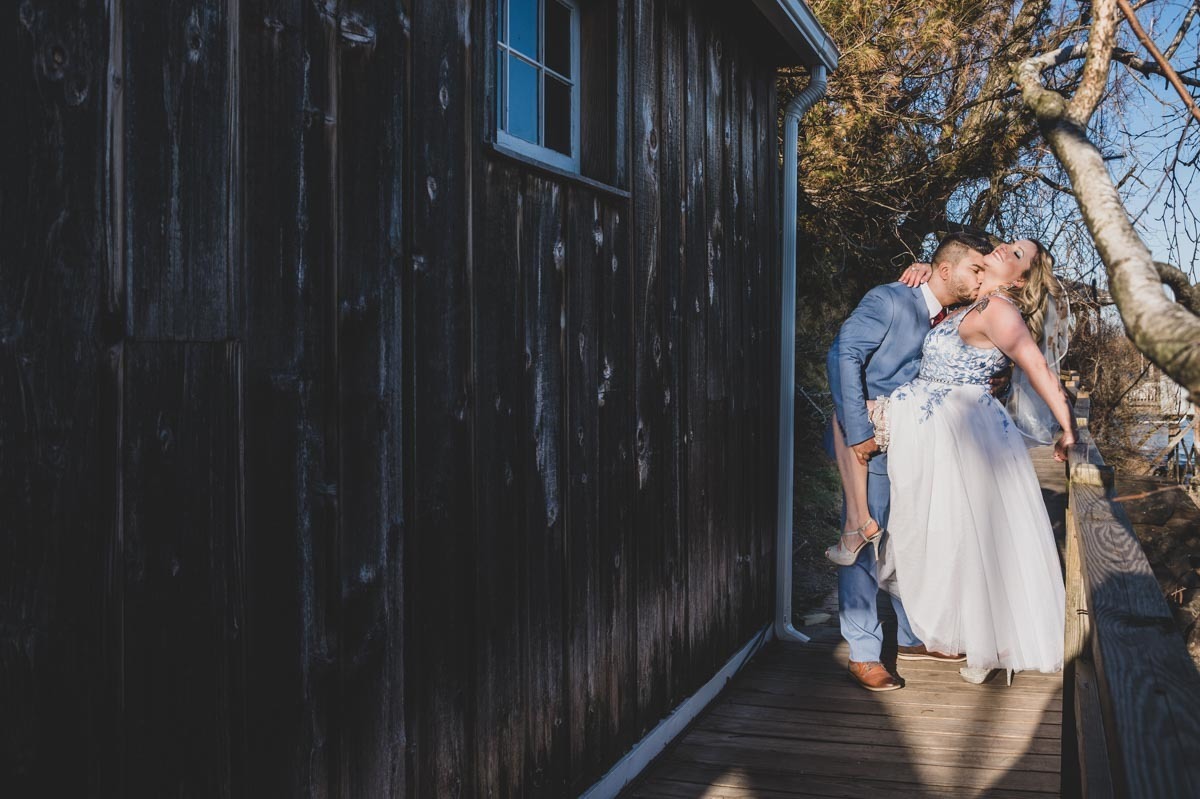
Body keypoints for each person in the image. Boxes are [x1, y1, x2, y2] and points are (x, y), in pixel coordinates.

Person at [884, 239, 1072, 683]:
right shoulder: (974, 300)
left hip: (961, 431)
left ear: (1021, 278)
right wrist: (924, 271)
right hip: (937, 427)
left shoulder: (1000, 311)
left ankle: (983, 637)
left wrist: (1069, 428)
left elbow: (1037, 366)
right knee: (946, 534)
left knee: (968, 535)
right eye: (1007, 243)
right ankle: (946, 631)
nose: (1004, 248)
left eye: (1017, 254)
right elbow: (946, 281)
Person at [824, 232, 994, 692]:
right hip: (873, 444)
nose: (982, 279)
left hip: (927, 447)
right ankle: (863, 652)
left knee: (915, 535)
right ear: (944, 269)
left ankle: (916, 632)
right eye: (975, 269)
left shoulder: (957, 316)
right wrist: (858, 430)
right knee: (865, 538)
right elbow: (844, 355)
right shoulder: (890, 300)